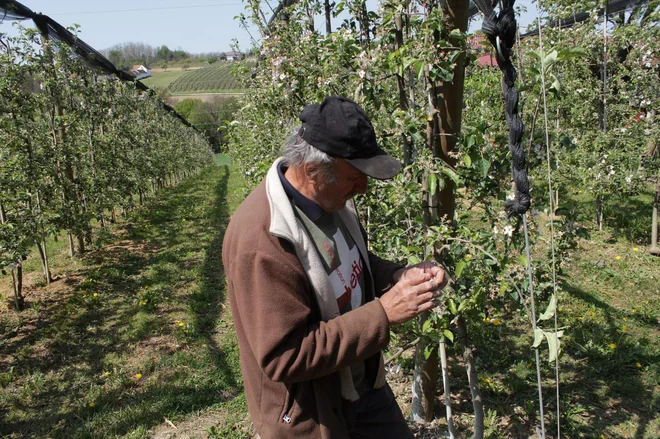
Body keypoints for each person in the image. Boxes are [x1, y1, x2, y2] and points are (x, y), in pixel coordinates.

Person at [222, 96, 447, 439]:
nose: (364, 188)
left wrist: (396, 277)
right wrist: (383, 313)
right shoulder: (263, 242)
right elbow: (285, 356)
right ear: (313, 170)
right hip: (312, 416)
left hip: (361, 388)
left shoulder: (330, 202)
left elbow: (345, 265)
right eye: (355, 176)